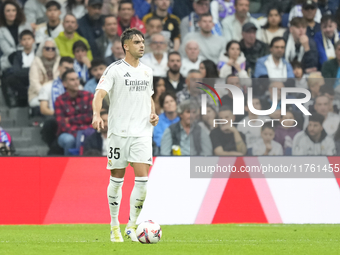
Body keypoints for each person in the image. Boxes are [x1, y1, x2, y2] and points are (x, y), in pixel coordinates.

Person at [92, 28, 159, 242]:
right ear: (126, 46)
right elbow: (99, 94)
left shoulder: (148, 71)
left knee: (142, 180)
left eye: (143, 41)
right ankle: (114, 226)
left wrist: (153, 113)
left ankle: (131, 225)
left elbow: (149, 97)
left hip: (141, 133)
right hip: (119, 133)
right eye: (137, 42)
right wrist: (96, 113)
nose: (142, 45)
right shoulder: (114, 70)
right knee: (117, 179)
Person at [55, 69, 94, 155]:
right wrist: (77, 134)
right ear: (64, 83)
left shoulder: (89, 96)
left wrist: (70, 119)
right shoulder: (60, 100)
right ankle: (69, 166)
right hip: (68, 133)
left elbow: (92, 117)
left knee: (92, 136)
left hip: (88, 130)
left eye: (77, 79)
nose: (76, 82)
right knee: (69, 140)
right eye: (72, 80)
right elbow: (62, 124)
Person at [2, 30, 35, 107]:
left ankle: (24, 96)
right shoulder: (17, 55)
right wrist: (30, 70)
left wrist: (26, 70)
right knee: (10, 78)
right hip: (22, 79)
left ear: (33, 40)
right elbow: (16, 71)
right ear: (20, 42)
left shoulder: (37, 53)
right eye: (24, 39)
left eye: (29, 39)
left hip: (35, 77)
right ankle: (26, 94)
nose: (27, 42)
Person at [28, 37, 60, 108]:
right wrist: (47, 95)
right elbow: (34, 83)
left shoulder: (59, 61)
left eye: (53, 49)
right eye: (47, 48)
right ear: (42, 49)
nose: (50, 50)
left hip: (57, 94)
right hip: (37, 95)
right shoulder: (35, 62)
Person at [0, 0, 32, 71]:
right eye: (8, 11)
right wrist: (20, 54)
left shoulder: (25, 25)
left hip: (27, 53)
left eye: (13, 10)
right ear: (3, 13)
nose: (11, 13)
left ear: (17, 12)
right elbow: (7, 50)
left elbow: (31, 41)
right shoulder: (1, 30)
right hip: (10, 58)